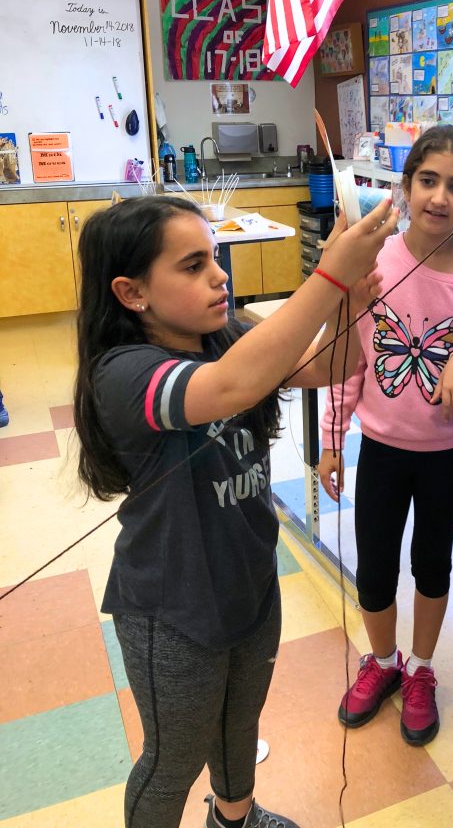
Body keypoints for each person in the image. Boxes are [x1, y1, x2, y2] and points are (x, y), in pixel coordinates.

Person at [73, 193, 398, 828]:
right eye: (192, 266)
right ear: (132, 292)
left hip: (248, 581)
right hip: (174, 607)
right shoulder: (126, 372)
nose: (219, 274)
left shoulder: (225, 337)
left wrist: (353, 302)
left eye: (215, 257)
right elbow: (232, 386)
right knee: (172, 759)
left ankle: (235, 816)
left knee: (238, 725)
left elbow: (334, 364)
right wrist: (327, 277)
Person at [317, 125, 453, 746]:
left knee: (432, 563)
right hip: (382, 451)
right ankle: (383, 662)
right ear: (404, 188)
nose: (440, 197)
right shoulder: (372, 261)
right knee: (374, 567)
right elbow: (350, 358)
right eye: (428, 181)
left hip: (450, 455)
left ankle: (422, 668)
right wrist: (331, 438)